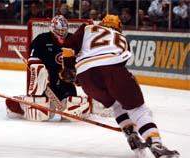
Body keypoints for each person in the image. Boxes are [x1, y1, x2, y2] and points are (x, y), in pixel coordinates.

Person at [60, 14, 180, 158]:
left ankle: (131, 135)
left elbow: (68, 47)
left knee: (117, 104)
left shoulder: (88, 27)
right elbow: (116, 68)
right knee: (138, 109)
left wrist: (68, 68)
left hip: (86, 76)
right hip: (112, 68)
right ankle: (156, 144)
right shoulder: (122, 38)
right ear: (119, 27)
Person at [5, 15, 91, 122]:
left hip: (66, 83)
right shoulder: (41, 39)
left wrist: (74, 74)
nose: (62, 33)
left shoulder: (73, 40)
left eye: (64, 30)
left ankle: (84, 108)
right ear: (53, 29)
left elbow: (82, 61)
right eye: (59, 30)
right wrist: (41, 74)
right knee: (41, 114)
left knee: (71, 111)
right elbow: (32, 61)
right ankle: (20, 103)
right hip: (46, 84)